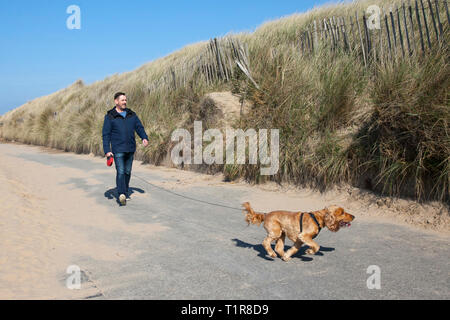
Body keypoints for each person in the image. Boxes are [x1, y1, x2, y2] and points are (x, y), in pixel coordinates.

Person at [102, 92, 149, 205]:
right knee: (121, 171)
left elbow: (139, 127)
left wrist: (144, 137)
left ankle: (125, 190)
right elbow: (106, 134)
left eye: (125, 100)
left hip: (130, 148)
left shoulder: (131, 114)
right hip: (118, 149)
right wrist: (107, 150)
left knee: (127, 172)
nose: (125, 102)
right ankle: (121, 194)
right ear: (116, 101)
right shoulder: (110, 116)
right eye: (122, 100)